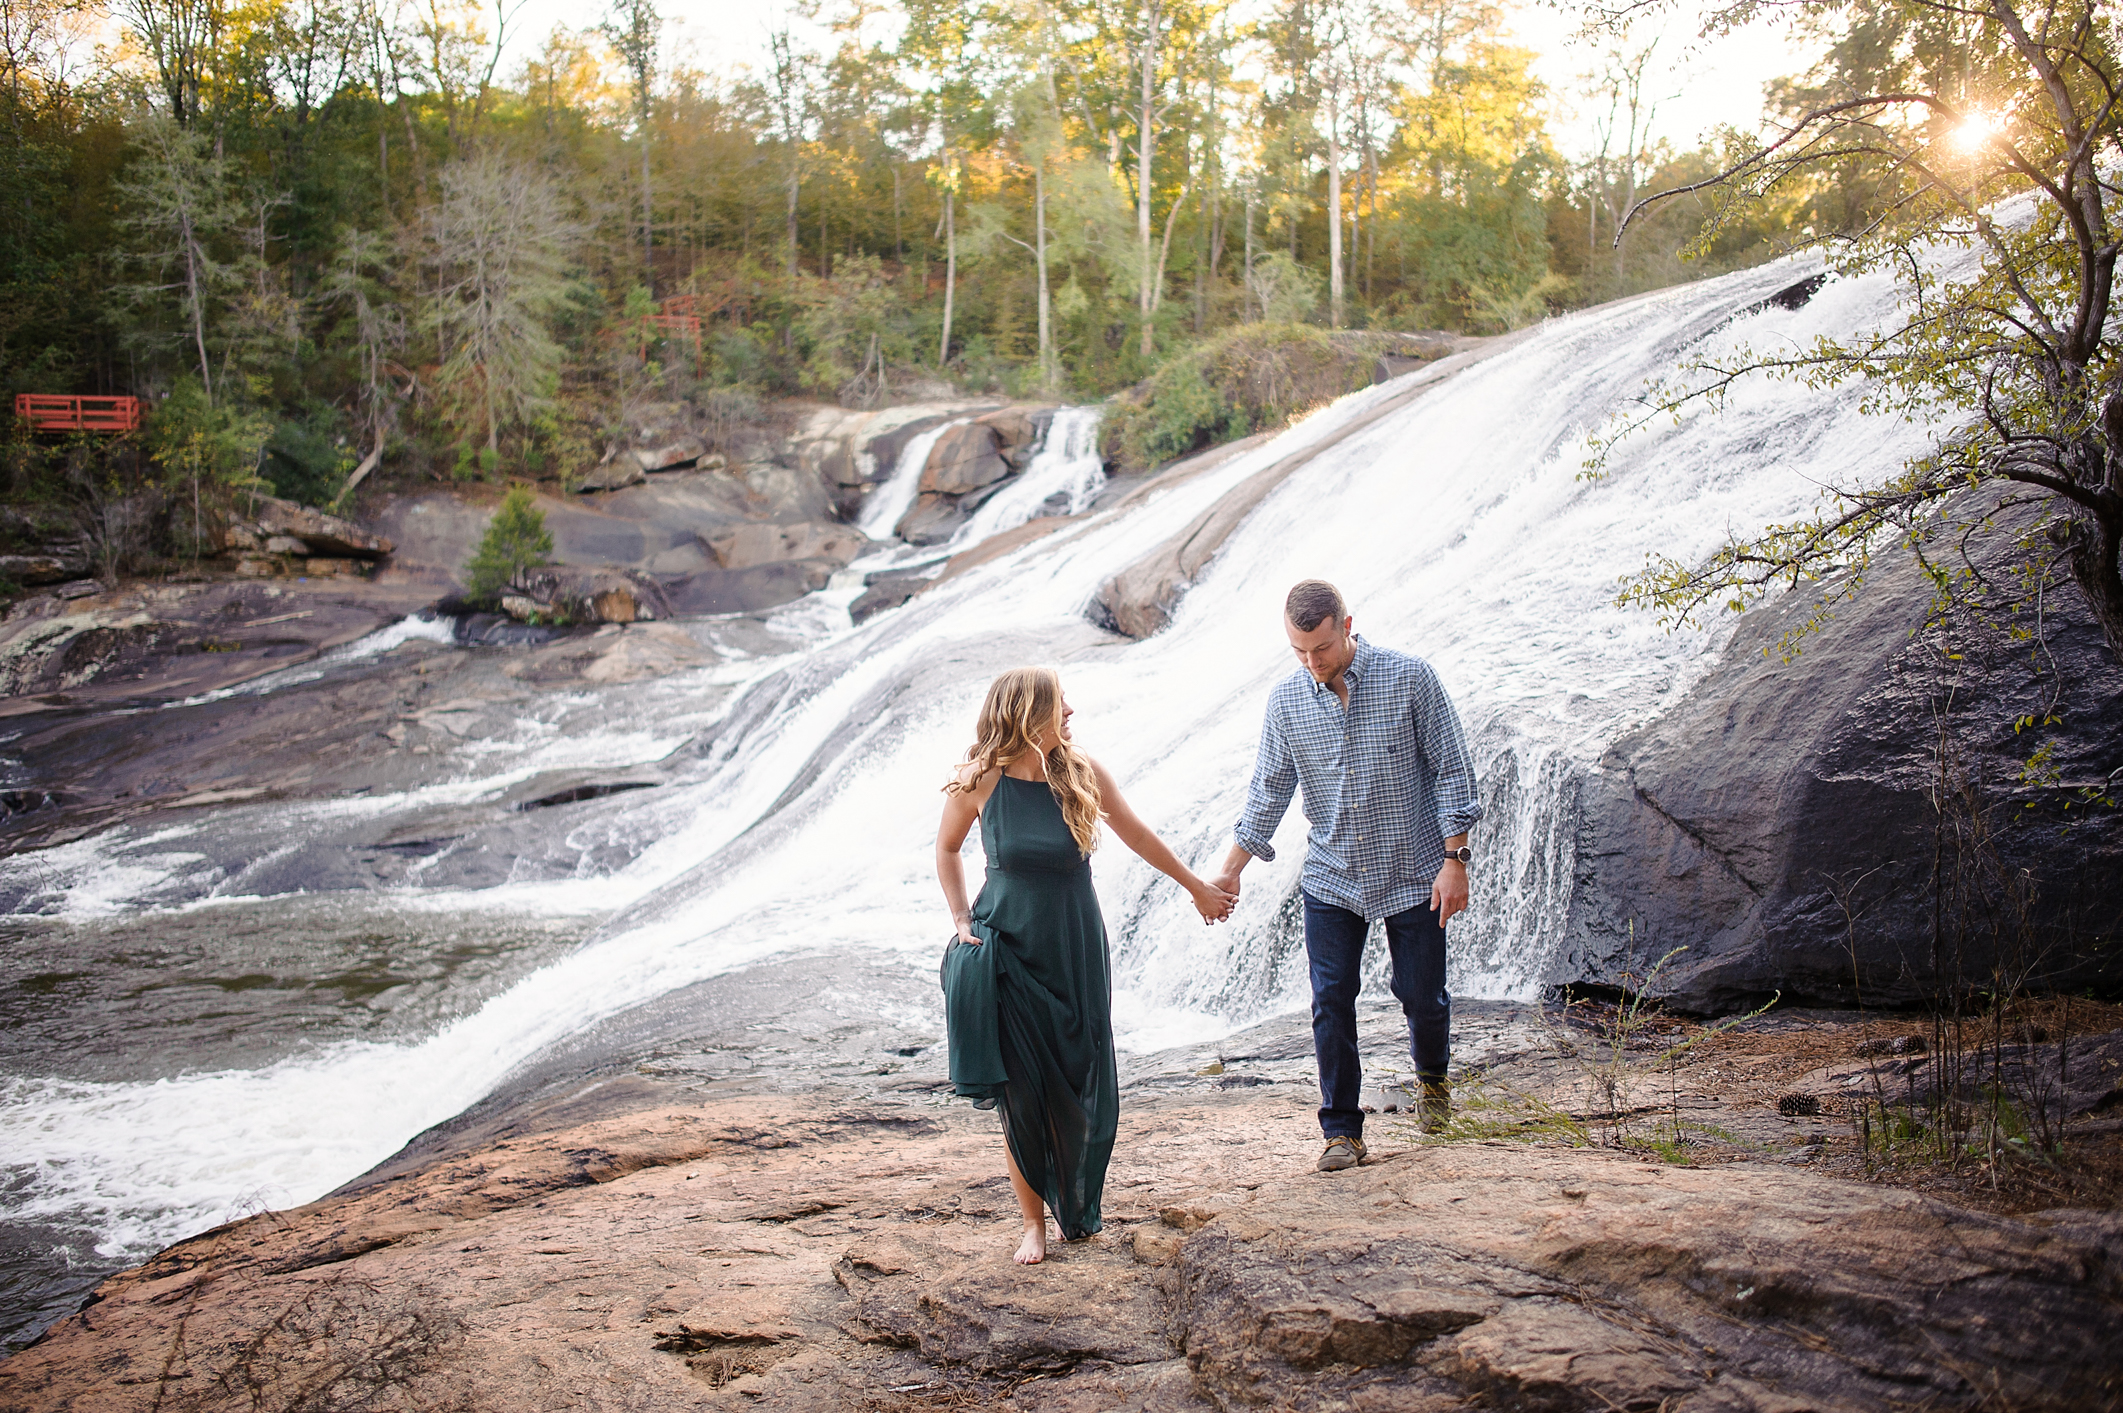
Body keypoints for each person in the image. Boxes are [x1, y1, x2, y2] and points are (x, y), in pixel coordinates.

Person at [937, 666, 1234, 1264]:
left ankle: (1076, 1204)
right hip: (1008, 949)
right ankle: (1032, 1224)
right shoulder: (981, 779)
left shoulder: (1081, 772)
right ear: (1028, 711)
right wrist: (961, 921)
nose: (1070, 710)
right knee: (1022, 1093)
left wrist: (1195, 886)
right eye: (1060, 703)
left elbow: (1137, 835)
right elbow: (946, 849)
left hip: (1073, 946)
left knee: (1079, 1075)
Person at [1210, 580, 1481, 1172]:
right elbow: (1268, 793)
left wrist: (1454, 860)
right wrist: (1229, 872)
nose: (1313, 663)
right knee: (1331, 1000)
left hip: (1415, 869)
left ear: (1348, 625)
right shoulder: (1286, 702)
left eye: (1323, 648)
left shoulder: (1411, 678)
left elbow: (1452, 772)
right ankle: (1341, 1130)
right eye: (1300, 651)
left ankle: (1433, 1083)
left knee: (1422, 997)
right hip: (1332, 878)